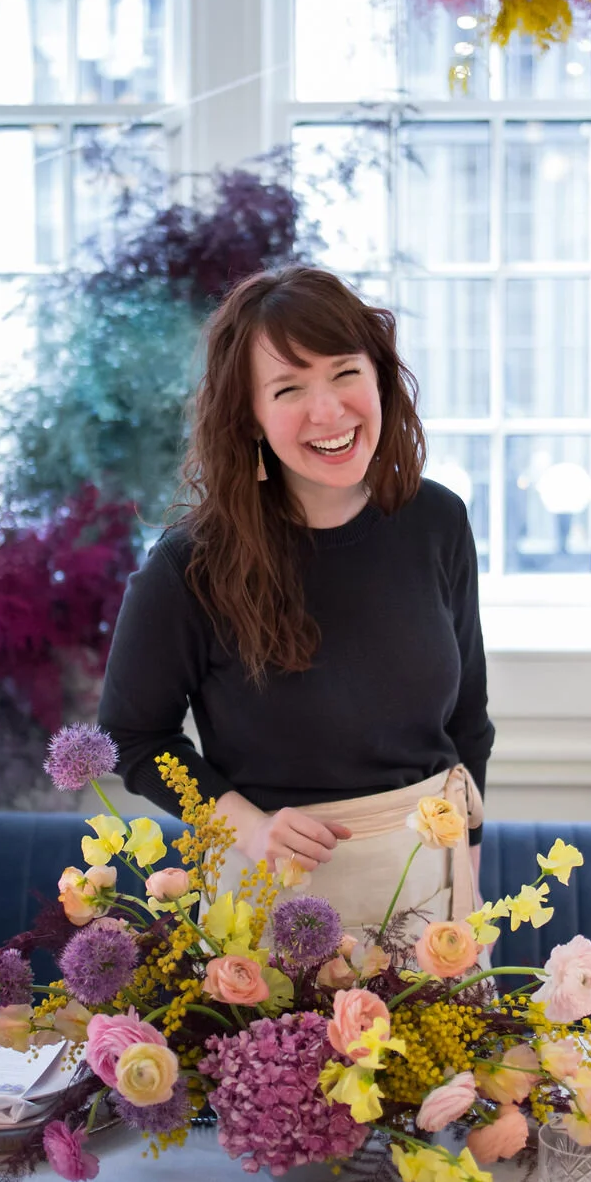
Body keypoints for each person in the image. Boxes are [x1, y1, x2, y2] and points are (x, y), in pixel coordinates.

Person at [97, 265, 493, 936]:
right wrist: (248, 828)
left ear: (379, 379)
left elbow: (468, 725)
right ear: (249, 416)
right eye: (288, 388)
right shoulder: (188, 566)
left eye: (345, 373)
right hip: (270, 906)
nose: (329, 411)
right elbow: (133, 737)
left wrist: (469, 888)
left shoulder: (437, 521)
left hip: (434, 899)